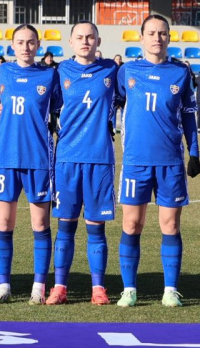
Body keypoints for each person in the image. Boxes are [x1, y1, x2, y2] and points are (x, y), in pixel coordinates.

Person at [116, 14, 200, 308]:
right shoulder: (126, 71)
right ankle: (129, 289)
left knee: (171, 226)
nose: (157, 38)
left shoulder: (180, 73)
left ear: (169, 38)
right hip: (135, 161)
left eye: (162, 33)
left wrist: (195, 153)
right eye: (151, 33)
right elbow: (113, 101)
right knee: (131, 224)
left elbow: (190, 115)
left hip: (170, 162)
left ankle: (170, 289)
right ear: (141, 38)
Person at [45, 21, 118, 306]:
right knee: (65, 226)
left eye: (90, 37)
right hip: (67, 160)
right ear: (71, 42)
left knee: (95, 227)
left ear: (98, 41)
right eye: (80, 37)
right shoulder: (59, 72)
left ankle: (98, 288)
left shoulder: (112, 70)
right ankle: (60, 287)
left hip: (99, 159)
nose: (85, 41)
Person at [0, 24, 60, 305]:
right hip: (5, 158)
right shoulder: (1, 72)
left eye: (31, 42)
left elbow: (58, 111)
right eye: (20, 42)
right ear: (12, 45)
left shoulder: (50, 75)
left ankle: (38, 287)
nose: (26, 47)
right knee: (4, 223)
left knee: (40, 224)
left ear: (39, 44)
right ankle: (3, 286)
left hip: (38, 159)